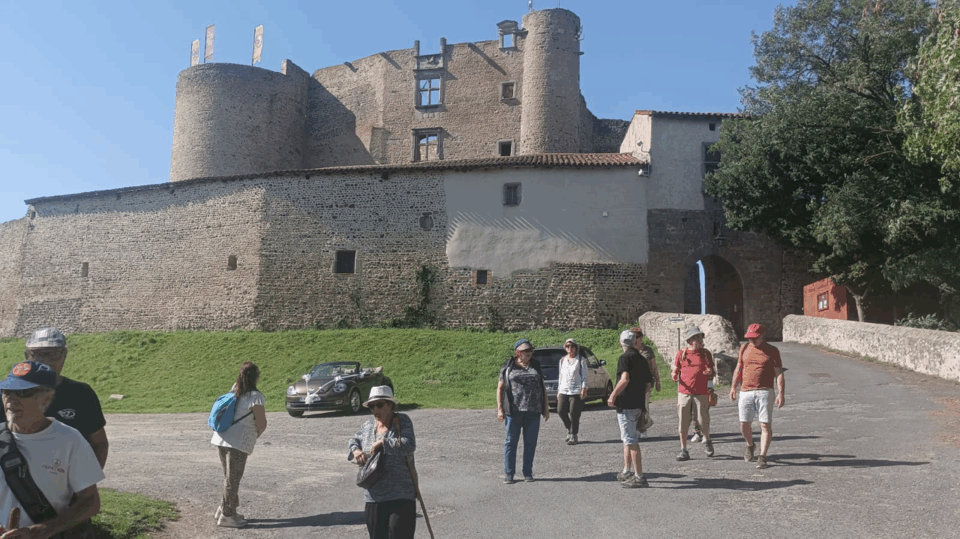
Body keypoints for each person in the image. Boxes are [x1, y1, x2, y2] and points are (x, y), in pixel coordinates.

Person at [0, 361, 104, 538]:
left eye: (23, 393)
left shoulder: (69, 440)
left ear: (46, 398)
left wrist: (41, 530)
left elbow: (90, 501)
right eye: (7, 391)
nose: (11, 398)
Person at [23, 327, 109, 469]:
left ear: (65, 354)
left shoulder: (81, 393)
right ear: (27, 356)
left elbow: (99, 443)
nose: (47, 361)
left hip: (68, 485)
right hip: (16, 485)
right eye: (38, 354)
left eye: (54, 354)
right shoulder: (10, 394)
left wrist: (87, 483)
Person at [348, 386, 417, 539]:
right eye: (372, 406)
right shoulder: (368, 426)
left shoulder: (402, 421)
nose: (375, 409)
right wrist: (356, 451)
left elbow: (409, 445)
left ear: (390, 405)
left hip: (401, 495)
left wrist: (383, 443)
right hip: (374, 497)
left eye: (380, 405)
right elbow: (354, 440)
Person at [210, 362, 267, 528]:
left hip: (220, 438)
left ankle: (226, 510)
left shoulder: (235, 388)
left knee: (230, 479)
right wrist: (254, 435)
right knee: (232, 480)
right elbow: (261, 423)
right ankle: (227, 516)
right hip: (238, 443)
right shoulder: (255, 397)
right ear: (255, 377)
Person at [729, 323, 785, 469]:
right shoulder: (744, 348)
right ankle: (750, 445)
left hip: (765, 391)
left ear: (762, 336)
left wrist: (781, 393)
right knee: (744, 423)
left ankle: (762, 456)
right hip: (746, 390)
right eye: (749, 338)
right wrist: (733, 386)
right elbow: (739, 368)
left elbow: (779, 373)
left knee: (765, 424)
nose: (752, 341)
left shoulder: (772, 350)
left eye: (755, 338)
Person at [496, 339, 549, 483]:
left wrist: (546, 408)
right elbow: (500, 388)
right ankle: (509, 473)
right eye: (526, 351)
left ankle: (527, 472)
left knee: (530, 443)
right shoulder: (508, 367)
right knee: (510, 443)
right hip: (513, 411)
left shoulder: (536, 366)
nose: (529, 353)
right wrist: (500, 409)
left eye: (530, 350)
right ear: (518, 352)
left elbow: (542, 386)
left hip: (533, 411)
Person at [607, 329, 654, 488]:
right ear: (635, 342)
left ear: (621, 342)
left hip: (626, 404)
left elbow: (624, 378)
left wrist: (613, 395)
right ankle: (627, 471)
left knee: (631, 440)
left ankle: (639, 476)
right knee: (627, 438)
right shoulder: (641, 358)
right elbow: (648, 383)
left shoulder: (624, 358)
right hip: (638, 404)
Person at [672, 326, 716, 461]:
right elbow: (675, 369)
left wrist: (710, 373)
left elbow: (713, 372)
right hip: (684, 392)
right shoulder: (682, 354)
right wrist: (674, 374)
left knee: (703, 420)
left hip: (701, 392)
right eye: (696, 338)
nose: (699, 340)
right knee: (683, 421)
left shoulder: (705, 353)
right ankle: (683, 449)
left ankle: (707, 440)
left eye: (700, 337)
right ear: (690, 340)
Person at [557, 338, 588, 445]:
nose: (570, 348)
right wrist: (558, 391)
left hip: (576, 391)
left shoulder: (581, 360)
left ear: (575, 348)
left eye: (572, 346)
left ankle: (574, 435)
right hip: (564, 390)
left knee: (574, 413)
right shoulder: (562, 360)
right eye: (567, 346)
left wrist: (584, 388)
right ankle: (569, 429)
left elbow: (584, 376)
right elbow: (561, 376)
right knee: (560, 411)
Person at [631, 327, 659, 438]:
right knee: (635, 407)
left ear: (641, 338)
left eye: (637, 336)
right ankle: (639, 428)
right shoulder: (630, 351)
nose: (635, 339)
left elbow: (654, 367)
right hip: (633, 383)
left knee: (644, 406)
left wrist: (658, 381)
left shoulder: (648, 350)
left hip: (646, 383)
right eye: (633, 337)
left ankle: (642, 429)